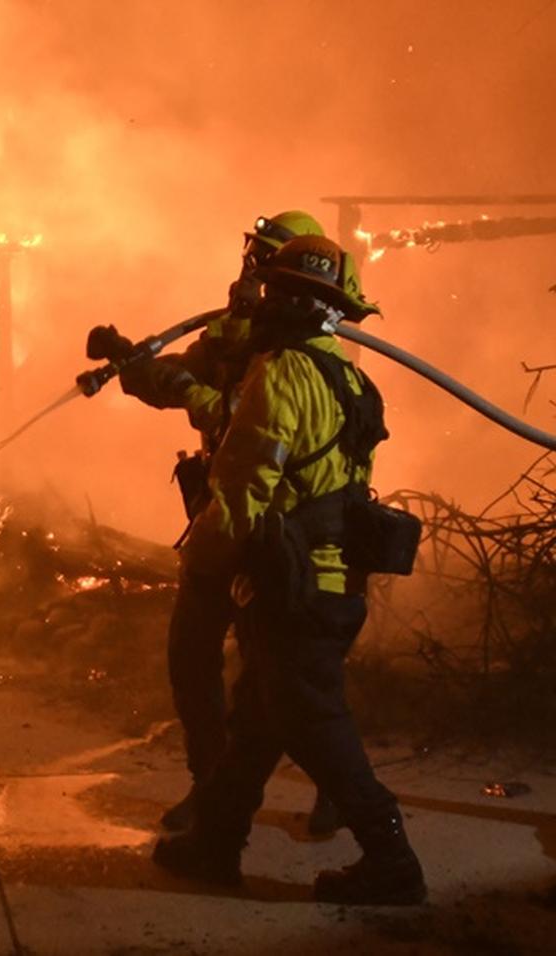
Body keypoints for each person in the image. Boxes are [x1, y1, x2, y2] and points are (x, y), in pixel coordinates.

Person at [151, 234, 427, 905]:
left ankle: (392, 859)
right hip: (331, 586)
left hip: (297, 595)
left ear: (295, 302)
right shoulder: (351, 380)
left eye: (274, 292)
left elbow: (241, 492)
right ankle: (216, 845)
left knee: (317, 728)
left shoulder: (282, 376)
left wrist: (204, 571)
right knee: (255, 725)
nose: (263, 303)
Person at [87, 211, 339, 835]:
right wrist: (128, 360)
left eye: (263, 261)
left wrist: (186, 386)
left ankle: (338, 790)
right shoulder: (234, 331)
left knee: (281, 673)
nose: (251, 271)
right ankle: (211, 788)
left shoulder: (302, 345)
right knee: (192, 655)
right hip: (226, 517)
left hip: (279, 532)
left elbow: (233, 410)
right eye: (252, 258)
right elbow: (178, 377)